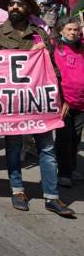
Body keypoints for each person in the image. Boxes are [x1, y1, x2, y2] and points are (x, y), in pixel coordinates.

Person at [0, 0, 74, 217]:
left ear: (28, 8)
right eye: (12, 3)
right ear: (7, 7)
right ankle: (17, 190)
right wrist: (27, 55)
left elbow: (53, 68)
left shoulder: (40, 34)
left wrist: (61, 97)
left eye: (20, 3)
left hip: (40, 101)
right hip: (12, 102)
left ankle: (52, 197)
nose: (15, 7)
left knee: (47, 148)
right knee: (14, 147)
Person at [52, 16, 84, 188]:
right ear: (61, 30)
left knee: (75, 138)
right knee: (64, 138)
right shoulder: (54, 48)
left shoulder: (82, 47)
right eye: (70, 29)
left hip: (81, 103)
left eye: (76, 29)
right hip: (63, 102)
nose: (73, 32)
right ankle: (63, 172)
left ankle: (70, 167)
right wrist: (61, 99)